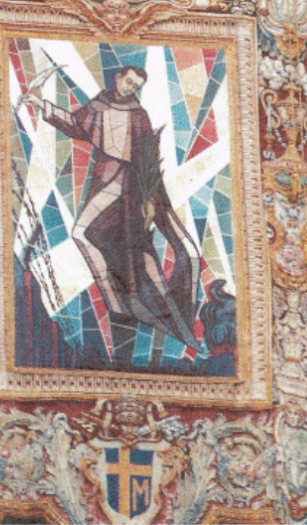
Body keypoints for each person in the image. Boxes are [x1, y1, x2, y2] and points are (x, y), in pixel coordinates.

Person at [21, 65, 201, 352]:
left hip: (126, 185)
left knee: (92, 236)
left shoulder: (138, 115)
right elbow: (76, 125)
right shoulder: (99, 105)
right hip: (103, 179)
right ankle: (118, 302)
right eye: (128, 81)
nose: (130, 87)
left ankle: (127, 304)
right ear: (118, 78)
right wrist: (42, 104)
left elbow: (146, 160)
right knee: (88, 236)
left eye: (136, 85)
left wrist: (148, 201)